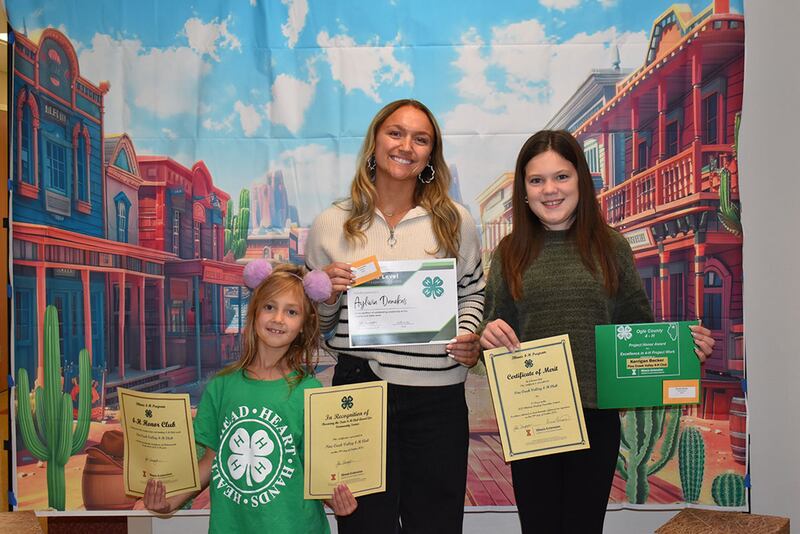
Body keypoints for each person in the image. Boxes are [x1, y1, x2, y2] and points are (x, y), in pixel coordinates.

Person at [479, 130, 716, 533]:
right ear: (523, 190)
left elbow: (638, 328)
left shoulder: (611, 246)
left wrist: (686, 351)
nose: (549, 190)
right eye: (536, 180)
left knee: (584, 527)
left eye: (561, 177)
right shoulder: (509, 252)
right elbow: (493, 325)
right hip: (533, 416)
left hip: (596, 418)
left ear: (581, 182)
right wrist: (488, 335)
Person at [305, 99, 485, 533]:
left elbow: (473, 291)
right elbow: (318, 325)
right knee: (365, 526)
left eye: (420, 138)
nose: (406, 145)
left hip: (438, 400)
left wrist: (467, 336)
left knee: (436, 525)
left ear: (430, 155)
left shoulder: (455, 221)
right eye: (396, 132)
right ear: (374, 142)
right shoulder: (331, 223)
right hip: (360, 392)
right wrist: (327, 295)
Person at [138, 262, 357, 533]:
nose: (278, 318)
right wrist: (169, 502)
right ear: (253, 314)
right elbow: (210, 461)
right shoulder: (221, 387)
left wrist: (338, 501)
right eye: (269, 307)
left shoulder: (309, 391)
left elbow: (317, 471)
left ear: (302, 325)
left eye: (291, 311)